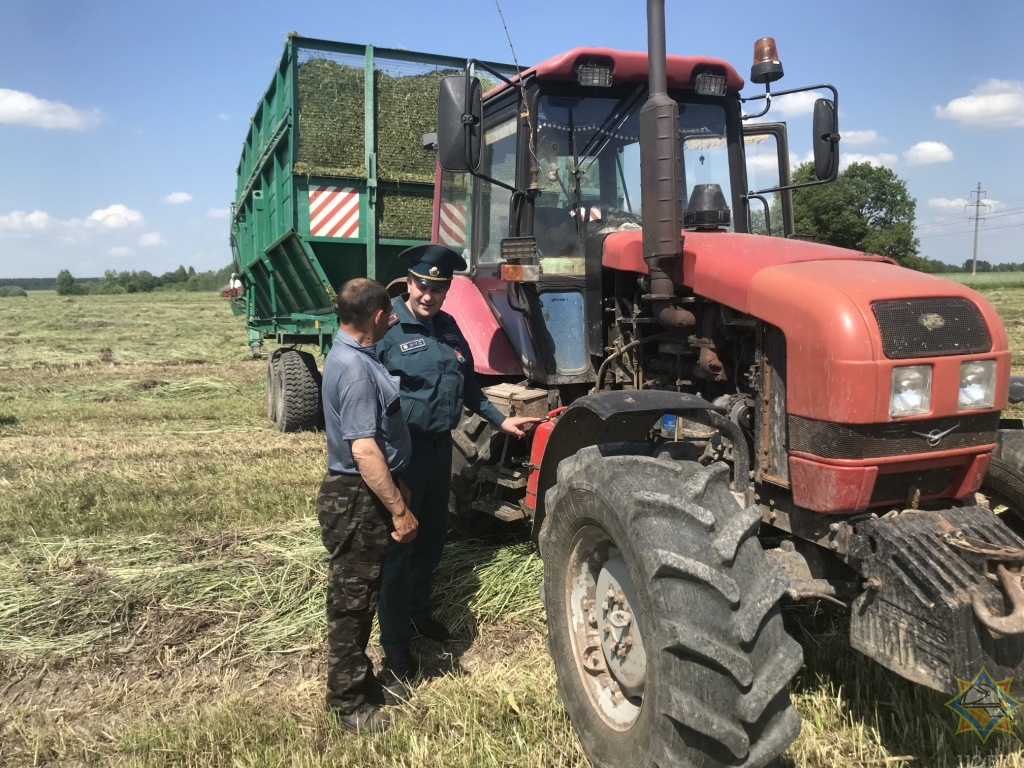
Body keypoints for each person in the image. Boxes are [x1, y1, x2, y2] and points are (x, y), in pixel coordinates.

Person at [376, 244, 540, 679]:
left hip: (439, 448)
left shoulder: (449, 327)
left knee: (430, 540)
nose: (430, 295)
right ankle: (393, 643)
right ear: (409, 283)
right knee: (399, 545)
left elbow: (468, 389)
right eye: (424, 286)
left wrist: (500, 421)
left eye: (439, 287)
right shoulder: (387, 329)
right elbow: (363, 395)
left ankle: (417, 615)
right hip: (402, 453)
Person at [317, 277, 418, 734]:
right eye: (389, 314)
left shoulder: (349, 355)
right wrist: (398, 508)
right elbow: (364, 451)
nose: (391, 320)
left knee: (360, 596)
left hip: (358, 493)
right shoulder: (356, 371)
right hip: (358, 497)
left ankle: (359, 682)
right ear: (377, 316)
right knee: (352, 603)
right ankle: (348, 704)